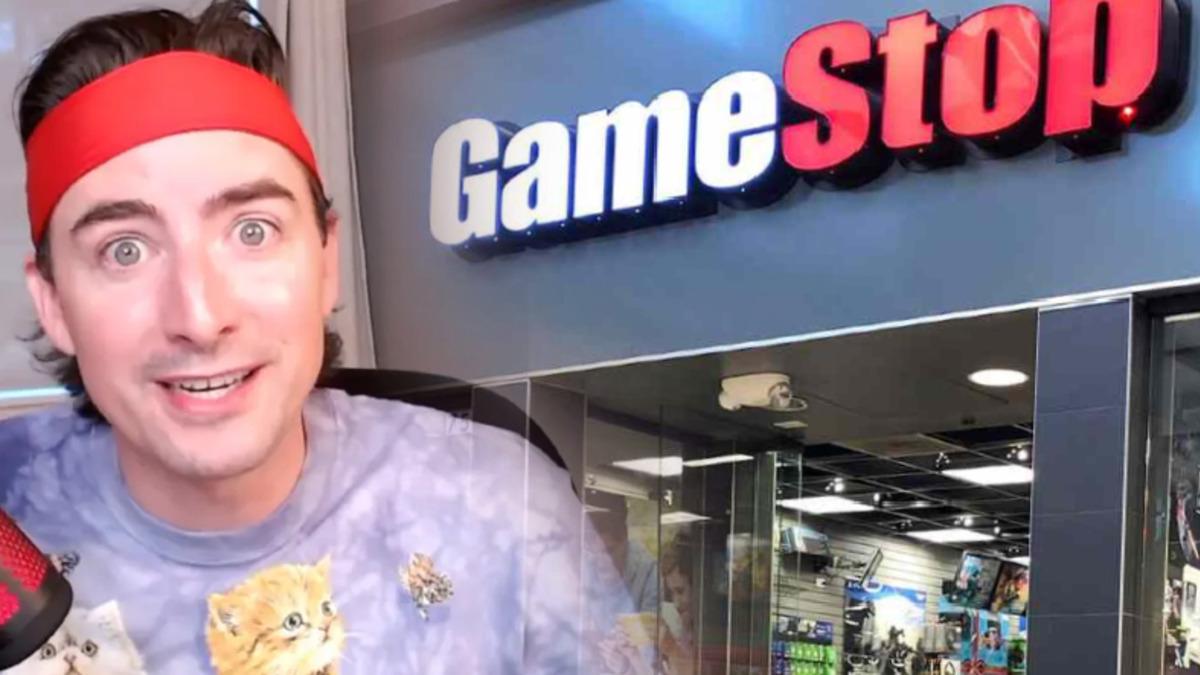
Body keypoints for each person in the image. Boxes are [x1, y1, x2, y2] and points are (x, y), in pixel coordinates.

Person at [0, 3, 639, 673]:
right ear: (54, 302)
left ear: (327, 261)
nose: (200, 315)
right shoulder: (12, 504)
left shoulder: (501, 507)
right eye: (124, 250)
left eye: (253, 231)